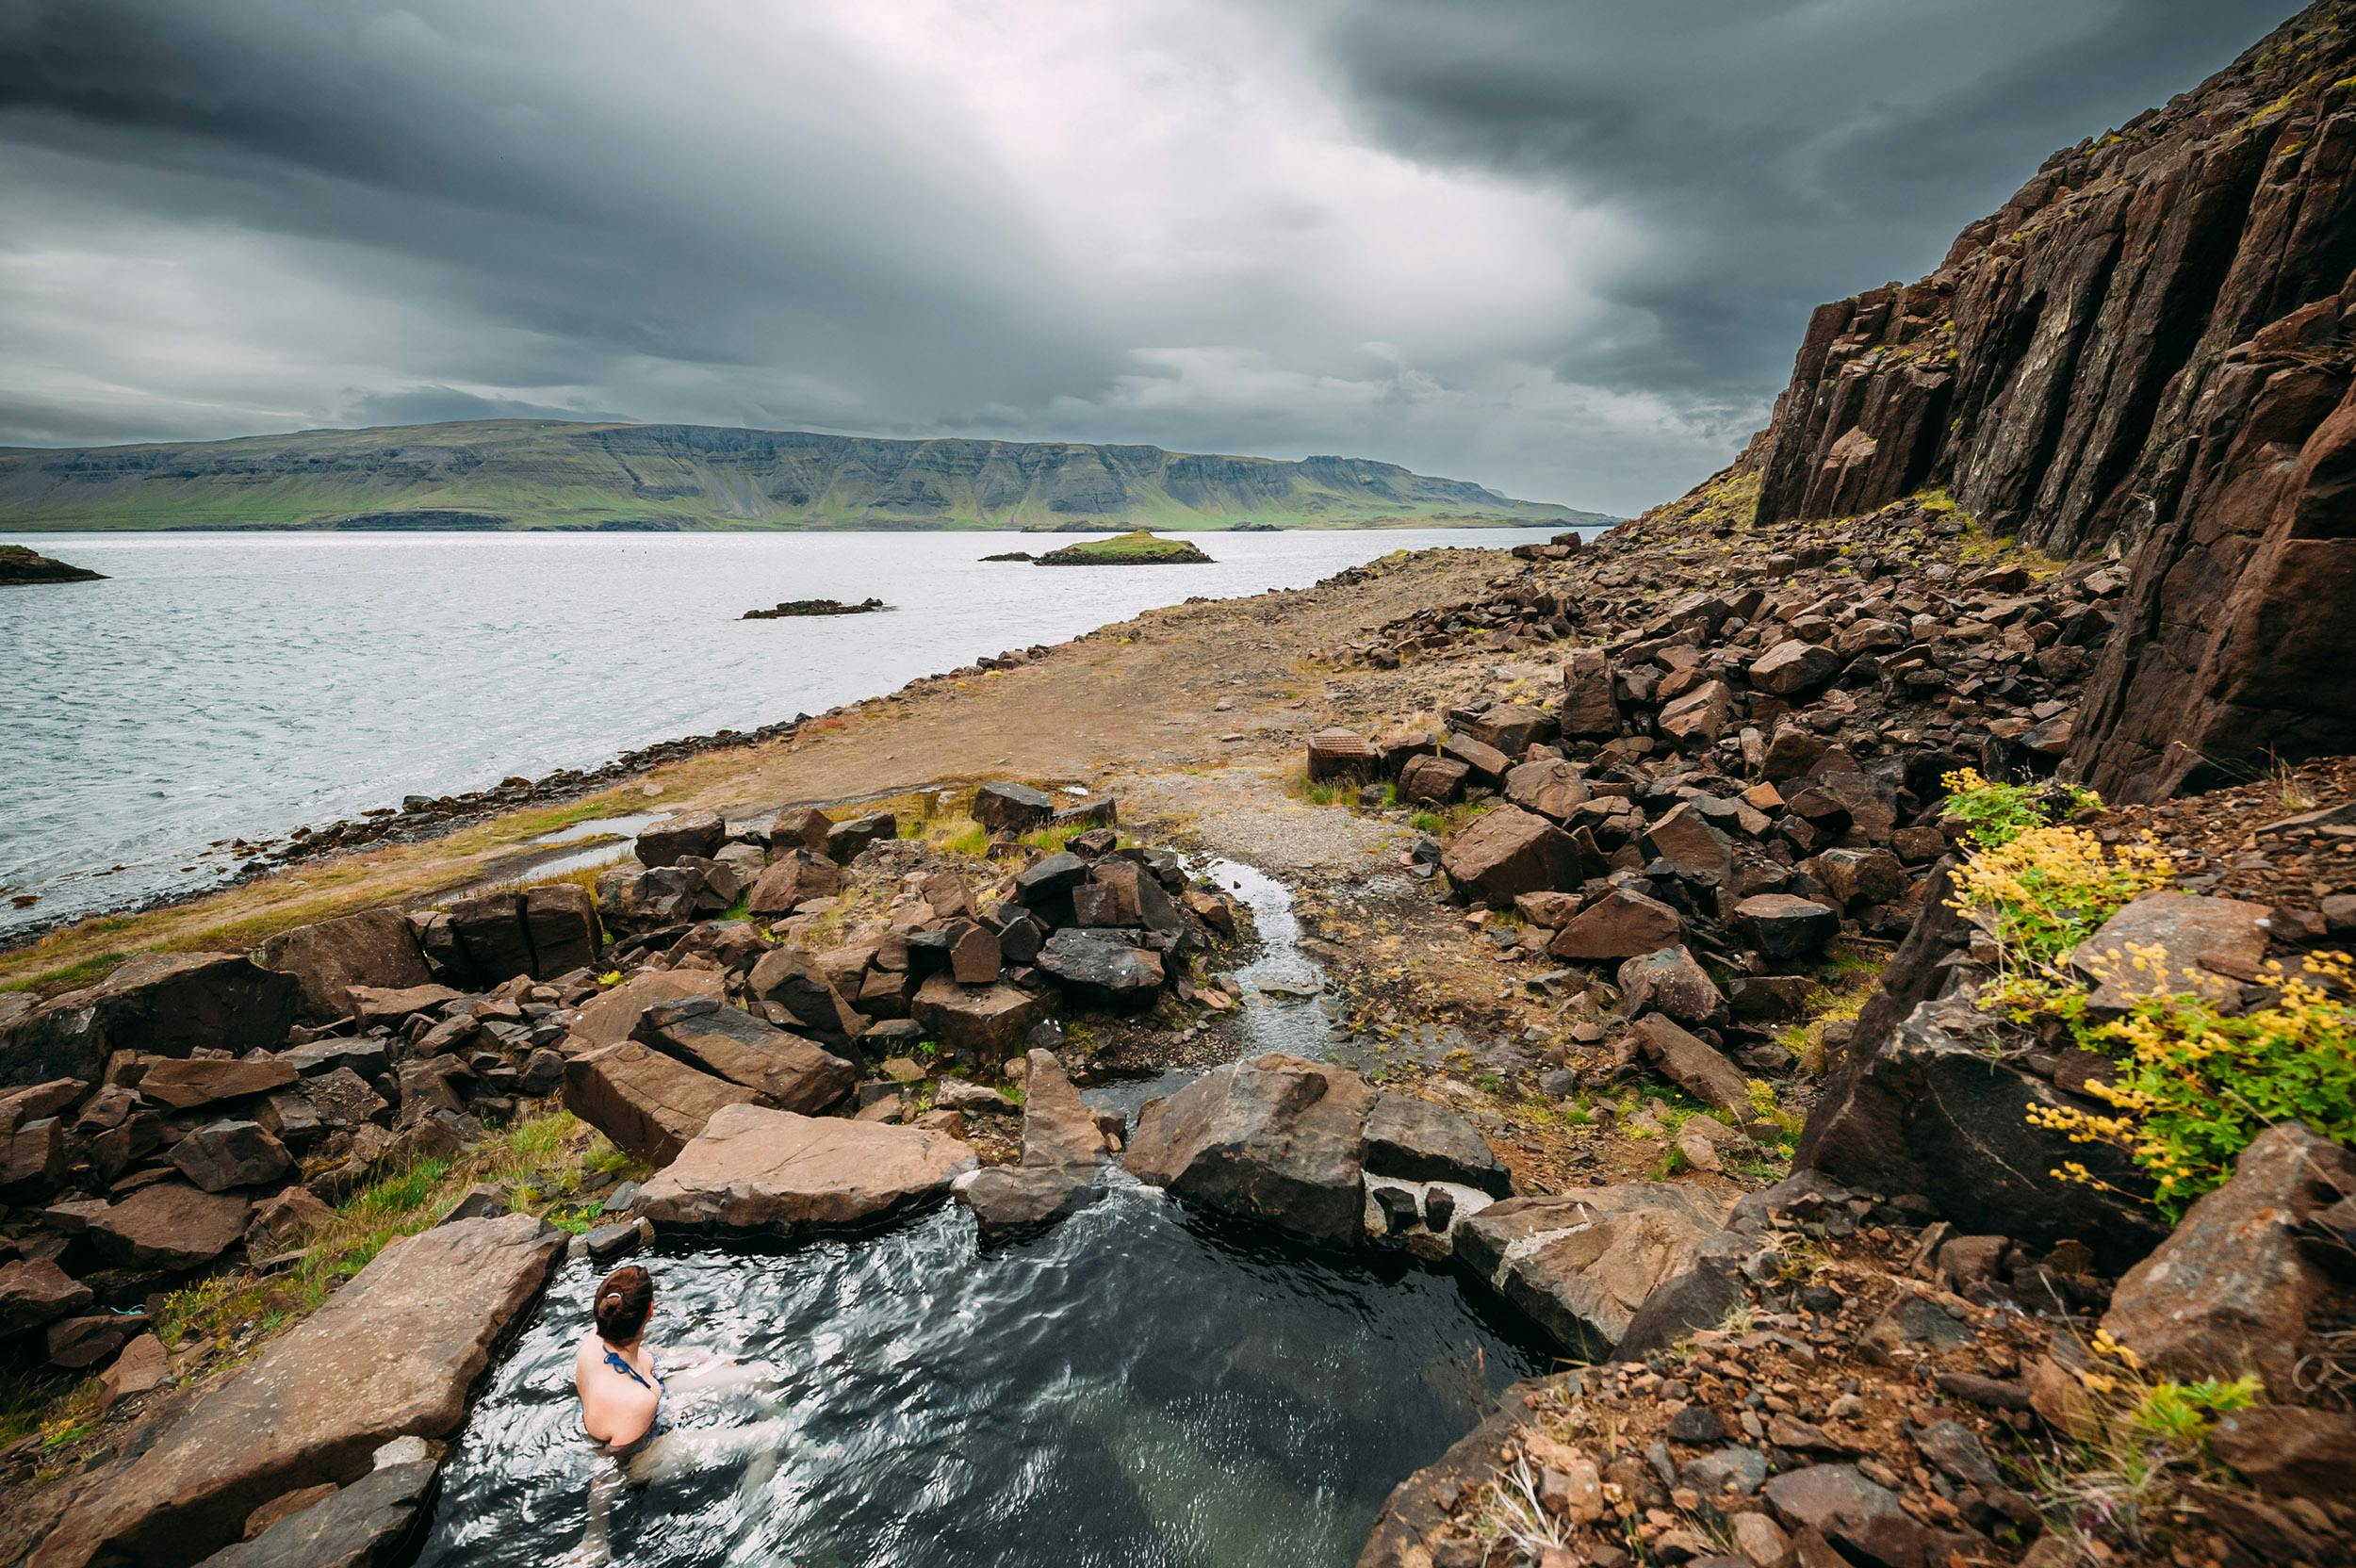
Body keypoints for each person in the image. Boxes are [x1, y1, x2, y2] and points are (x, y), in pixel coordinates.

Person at [575, 1264, 665, 1457]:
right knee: (747, 1440)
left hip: (630, 1408)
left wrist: (703, 1358)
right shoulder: (639, 1402)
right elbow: (616, 1462)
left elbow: (649, 1359)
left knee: (737, 1373)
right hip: (634, 1461)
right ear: (650, 1310)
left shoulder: (596, 1337)